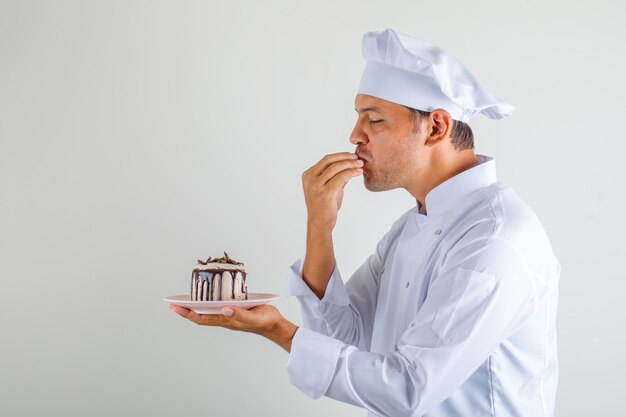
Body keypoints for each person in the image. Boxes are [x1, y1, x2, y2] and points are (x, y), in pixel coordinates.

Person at [170, 28, 560, 417]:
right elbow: (342, 338)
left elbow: (409, 388)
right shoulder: (410, 227)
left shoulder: (494, 239)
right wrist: (320, 227)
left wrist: (279, 331)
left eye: (374, 121)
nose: (355, 135)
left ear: (436, 127)